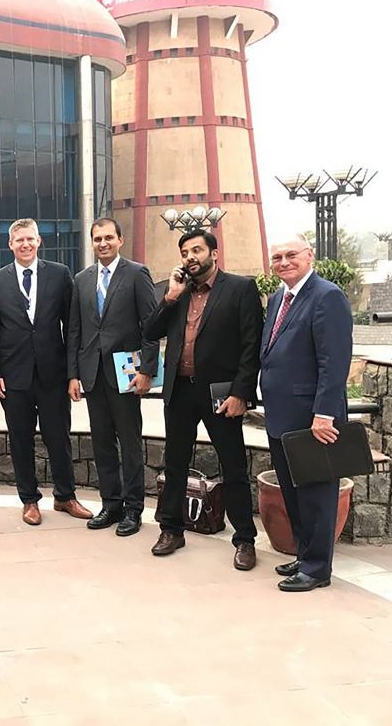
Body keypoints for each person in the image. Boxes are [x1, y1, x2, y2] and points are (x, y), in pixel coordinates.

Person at [143, 228, 263, 570]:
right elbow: (150, 332)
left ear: (214, 253)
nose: (190, 257)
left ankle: (244, 539)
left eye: (197, 250)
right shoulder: (176, 292)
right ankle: (171, 529)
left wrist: (242, 393)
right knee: (175, 463)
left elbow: (250, 347)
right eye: (184, 252)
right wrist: (169, 297)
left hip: (220, 393)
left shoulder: (240, 289)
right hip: (180, 390)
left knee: (233, 466)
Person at [0, 218, 92, 526]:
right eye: (19, 240)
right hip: (13, 376)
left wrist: (73, 374)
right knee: (21, 439)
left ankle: (65, 496)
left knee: (58, 436)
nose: (25, 244)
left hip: (52, 373)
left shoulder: (59, 275)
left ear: (38, 241)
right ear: (10, 245)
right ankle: (29, 500)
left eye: (30, 239)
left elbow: (72, 328)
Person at [260, 237, 352, 592]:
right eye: (278, 257)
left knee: (316, 493)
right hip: (281, 416)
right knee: (293, 492)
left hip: (313, 419)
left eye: (291, 255)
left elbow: (334, 361)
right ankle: (304, 554)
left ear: (309, 256)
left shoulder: (327, 296)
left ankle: (316, 570)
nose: (284, 262)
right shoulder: (277, 299)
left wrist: (325, 413)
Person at [67, 217, 158, 537]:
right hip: (93, 374)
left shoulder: (136, 273)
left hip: (127, 375)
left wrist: (148, 370)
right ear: (91, 243)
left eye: (108, 238)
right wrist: (73, 375)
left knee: (130, 444)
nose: (102, 243)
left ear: (120, 239)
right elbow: (75, 330)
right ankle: (111, 503)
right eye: (97, 239)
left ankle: (134, 509)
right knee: (102, 443)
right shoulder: (81, 279)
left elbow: (151, 326)